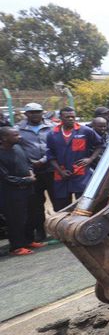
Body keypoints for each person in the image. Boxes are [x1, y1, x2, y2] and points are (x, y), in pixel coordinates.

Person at [45, 107, 102, 212]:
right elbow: (50, 156)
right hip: (61, 176)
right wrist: (60, 171)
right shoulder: (52, 134)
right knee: (62, 208)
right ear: (61, 118)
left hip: (81, 174)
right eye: (67, 117)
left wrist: (90, 159)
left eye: (73, 117)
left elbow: (99, 145)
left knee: (83, 206)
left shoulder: (85, 131)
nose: (71, 119)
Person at [0, 127, 43, 256]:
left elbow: (28, 163)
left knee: (30, 216)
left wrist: (30, 173)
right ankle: (17, 247)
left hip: (28, 190)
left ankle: (29, 240)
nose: (19, 137)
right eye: (15, 135)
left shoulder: (18, 148)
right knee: (15, 220)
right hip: (11, 194)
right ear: (4, 138)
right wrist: (27, 180)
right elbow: (5, 178)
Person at [16, 103, 55, 243]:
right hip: (32, 172)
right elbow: (18, 150)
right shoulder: (18, 129)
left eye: (38, 112)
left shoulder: (52, 126)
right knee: (36, 204)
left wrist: (45, 159)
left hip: (51, 168)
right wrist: (31, 163)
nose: (35, 114)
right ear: (26, 114)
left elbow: (54, 146)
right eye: (32, 112)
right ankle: (40, 231)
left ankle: (58, 230)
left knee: (58, 200)